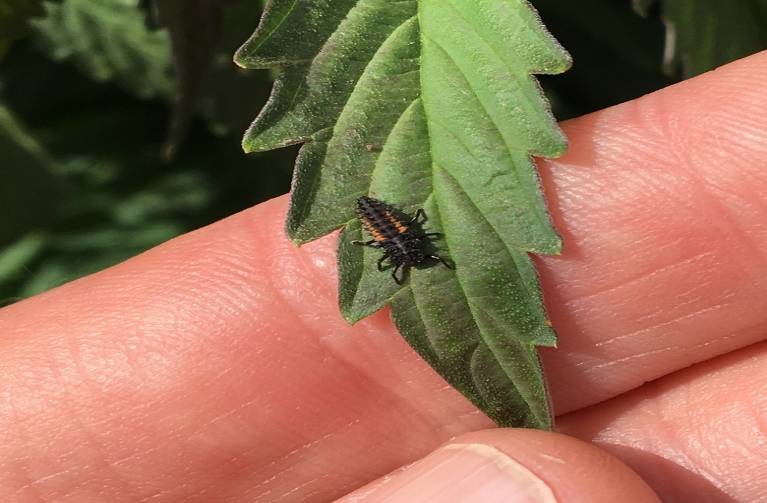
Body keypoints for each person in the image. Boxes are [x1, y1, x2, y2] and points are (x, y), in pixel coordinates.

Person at [1, 51, 766, 503]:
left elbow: (410, 237)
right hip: (389, 218)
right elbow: (409, 236)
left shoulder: (394, 231)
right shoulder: (391, 228)